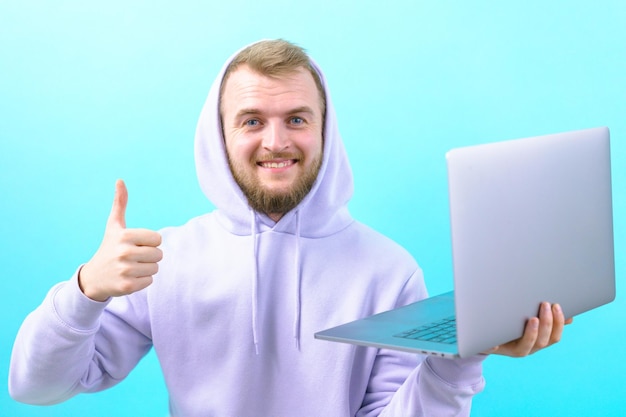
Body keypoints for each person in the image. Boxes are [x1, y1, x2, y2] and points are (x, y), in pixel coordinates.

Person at [9, 39, 570, 417]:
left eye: (296, 119)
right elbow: (35, 387)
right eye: (252, 121)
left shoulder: (390, 272)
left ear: (325, 131)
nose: (276, 142)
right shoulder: (166, 261)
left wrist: (459, 358)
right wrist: (85, 290)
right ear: (218, 137)